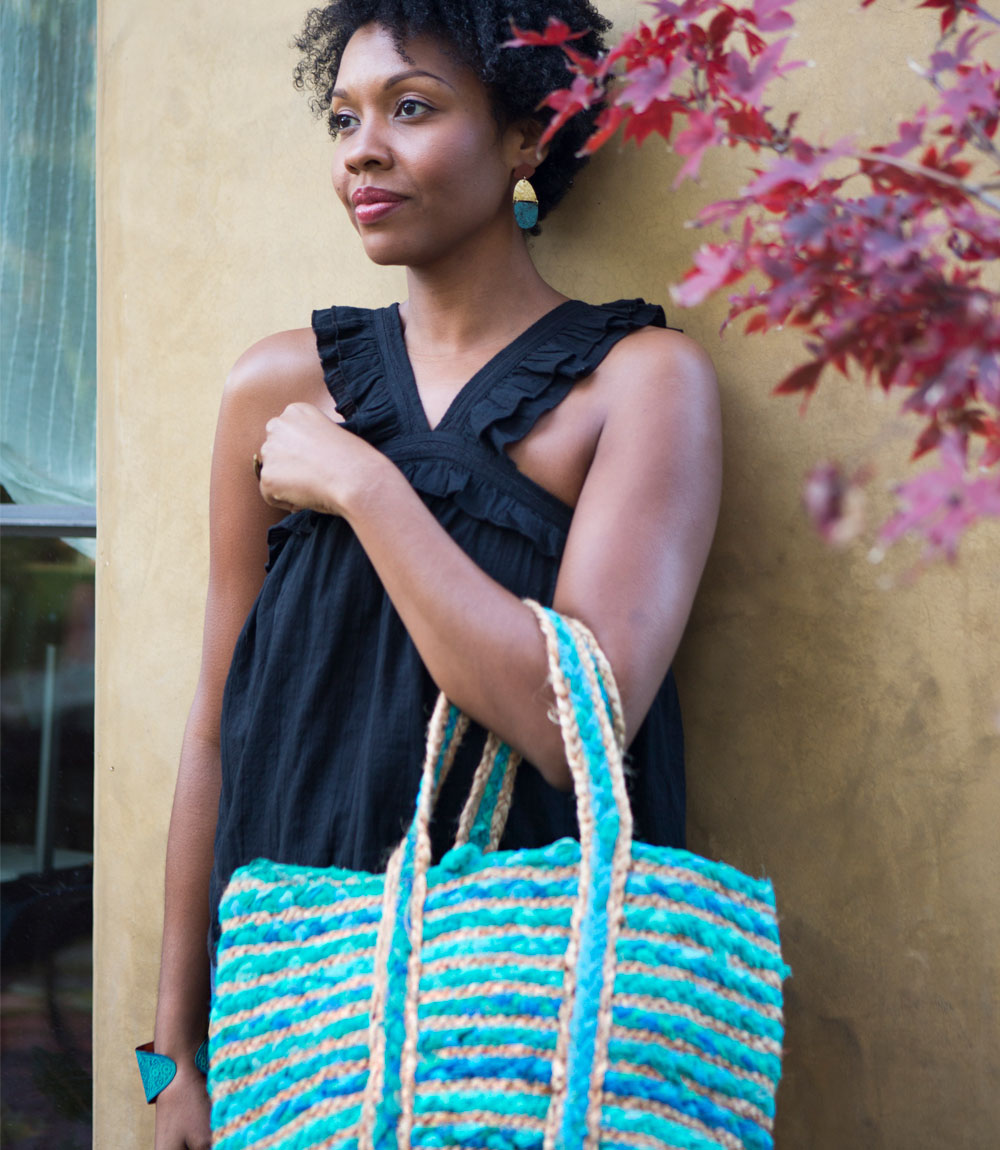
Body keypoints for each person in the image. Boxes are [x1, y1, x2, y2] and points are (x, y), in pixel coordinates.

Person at [149, 1, 721, 1146]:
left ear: (527, 137)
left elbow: (576, 728)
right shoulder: (275, 388)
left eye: (411, 109)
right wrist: (171, 1055)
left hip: (531, 1015)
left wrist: (365, 488)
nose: (362, 147)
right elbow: (217, 727)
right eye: (345, 116)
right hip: (289, 1006)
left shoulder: (640, 383)